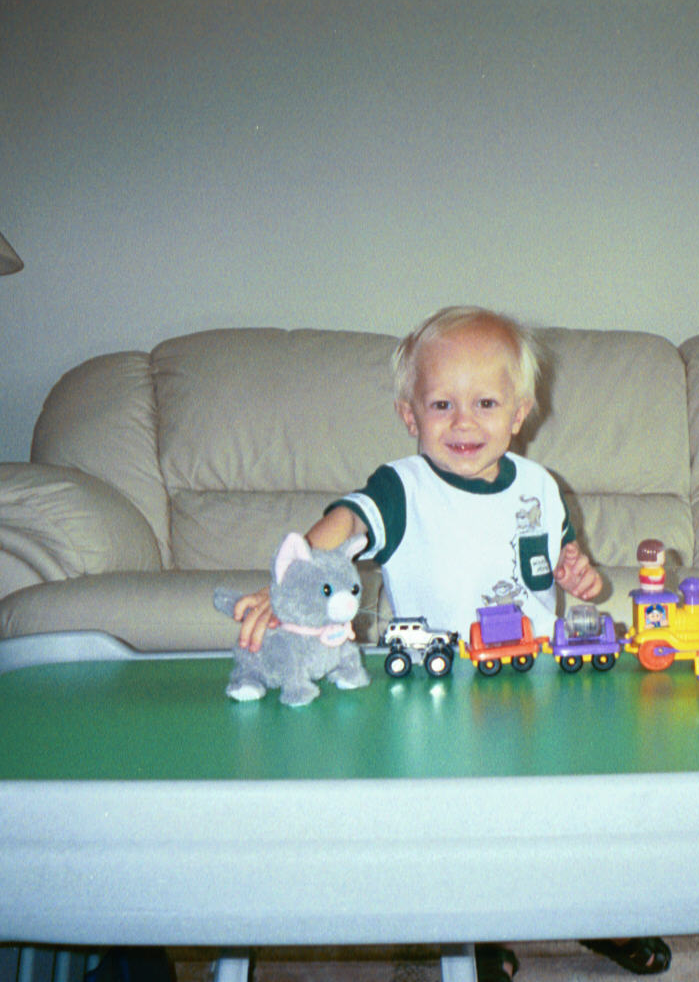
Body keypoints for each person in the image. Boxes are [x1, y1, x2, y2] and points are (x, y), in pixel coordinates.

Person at [233, 305, 671, 978]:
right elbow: (345, 521)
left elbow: (556, 559)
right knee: (466, 826)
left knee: (563, 809)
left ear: (519, 413)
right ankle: (475, 933)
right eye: (442, 404)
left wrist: (578, 573)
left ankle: (593, 912)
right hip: (440, 693)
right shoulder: (401, 488)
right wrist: (294, 577)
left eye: (485, 403)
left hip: (538, 683)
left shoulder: (541, 487)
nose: (463, 422)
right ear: (410, 416)